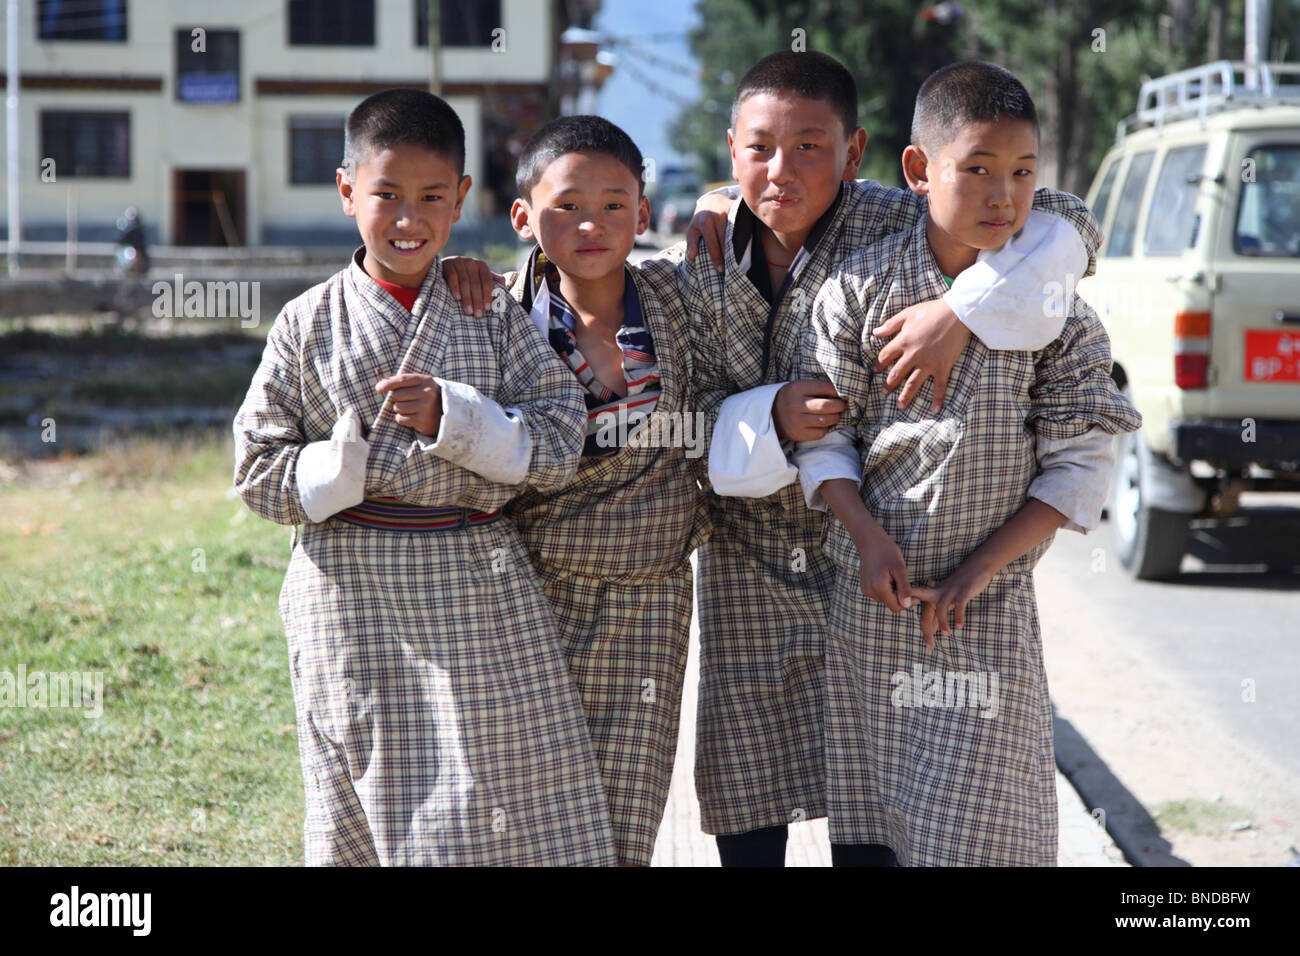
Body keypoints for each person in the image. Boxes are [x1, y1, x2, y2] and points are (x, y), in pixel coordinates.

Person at [680, 49, 1103, 866]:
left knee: (896, 806)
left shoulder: (885, 221)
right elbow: (666, 416)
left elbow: (1067, 224)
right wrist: (768, 416)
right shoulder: (692, 264)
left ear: (856, 154)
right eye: (760, 147)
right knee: (747, 790)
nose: (783, 169)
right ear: (730, 149)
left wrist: (958, 309)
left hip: (889, 572)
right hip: (752, 562)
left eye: (811, 146)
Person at [232, 88, 616, 866]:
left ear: (461, 199)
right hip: (351, 594)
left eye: (431, 198)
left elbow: (560, 432)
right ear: (347, 192)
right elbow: (256, 470)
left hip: (478, 585)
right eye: (387, 196)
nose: (409, 220)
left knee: (508, 795)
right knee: (367, 799)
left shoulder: (487, 310)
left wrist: (463, 419)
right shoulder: (306, 323)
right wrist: (339, 467)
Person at [794, 60, 1141, 865]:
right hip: (872, 601)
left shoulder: (1059, 316)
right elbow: (826, 439)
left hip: (988, 605)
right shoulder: (857, 291)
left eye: (1023, 173)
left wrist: (979, 569)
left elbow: (1078, 461)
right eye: (977, 168)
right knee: (872, 829)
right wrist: (863, 532)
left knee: (984, 832)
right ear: (918, 170)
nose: (1002, 196)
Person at [445, 116, 706, 866]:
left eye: (615, 204)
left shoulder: (677, 297)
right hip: (528, 590)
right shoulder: (488, 312)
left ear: (645, 215)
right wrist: (451, 271)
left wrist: (717, 203)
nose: (591, 223)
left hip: (650, 600)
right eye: (566, 205)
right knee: (523, 808)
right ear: (523, 217)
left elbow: (745, 200)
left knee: (626, 819)